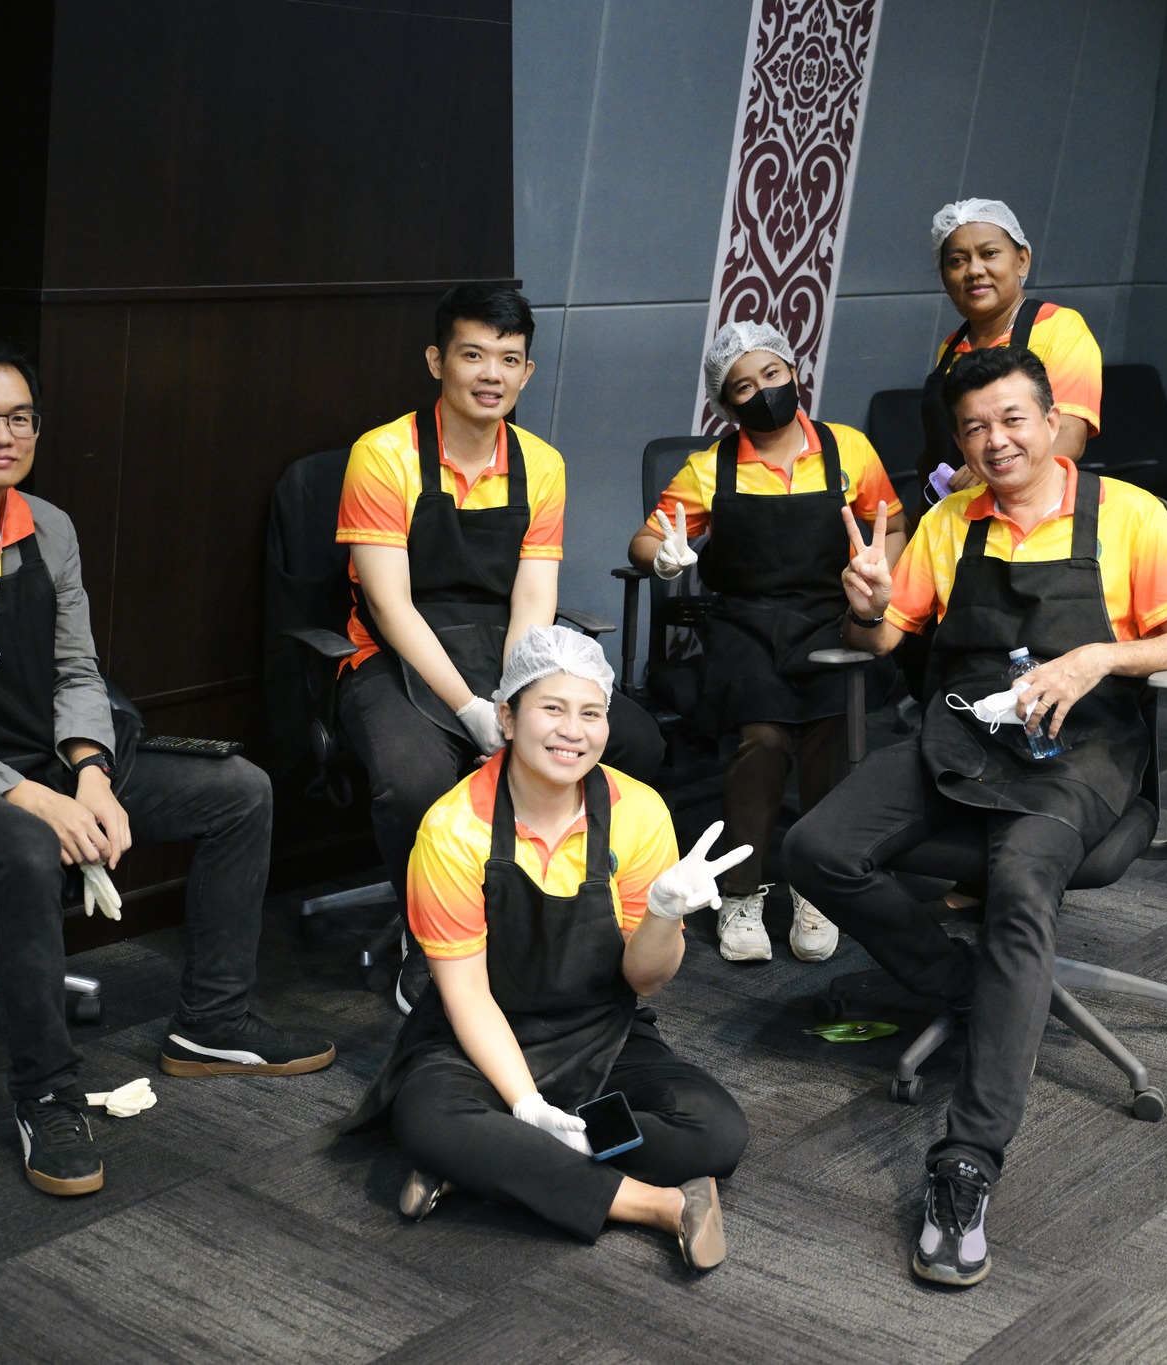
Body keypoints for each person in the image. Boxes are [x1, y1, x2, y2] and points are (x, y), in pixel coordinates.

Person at [0, 339, 334, 1198]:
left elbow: (79, 673)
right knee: (21, 846)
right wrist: (33, 798)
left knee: (238, 792)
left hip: (46, 762)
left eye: (20, 418)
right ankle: (46, 1092)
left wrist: (89, 774)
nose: (2, 434)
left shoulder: (49, 527)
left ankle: (212, 1020)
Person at [782, 346, 1167, 1287]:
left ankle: (968, 1159)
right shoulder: (951, 521)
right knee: (815, 848)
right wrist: (867, 607)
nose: (996, 441)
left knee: (1022, 880)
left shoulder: (1128, 514)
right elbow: (886, 634)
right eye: (975, 427)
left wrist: (1098, 657)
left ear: (1051, 420)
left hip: (1080, 749)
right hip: (963, 734)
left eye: (1013, 419)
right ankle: (964, 983)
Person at [344, 627, 751, 1269]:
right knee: (430, 1120)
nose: (572, 731)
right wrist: (527, 1104)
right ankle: (658, 1205)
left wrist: (664, 916)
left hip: (600, 1034)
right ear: (507, 718)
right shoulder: (453, 829)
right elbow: (467, 997)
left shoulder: (638, 811)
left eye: (591, 713)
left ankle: (490, 1165)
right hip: (475, 1044)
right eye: (552, 709)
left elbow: (645, 982)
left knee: (715, 1130)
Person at [336, 284, 665, 1008]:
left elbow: (532, 597)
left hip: (504, 647)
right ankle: (428, 936)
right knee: (414, 777)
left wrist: (518, 696)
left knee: (634, 740)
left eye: (509, 359)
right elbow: (390, 605)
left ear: (527, 372)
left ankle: (553, 908)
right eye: (473, 355)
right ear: (437, 361)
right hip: (397, 652)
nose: (492, 375)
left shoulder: (541, 463)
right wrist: (471, 708)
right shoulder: (383, 455)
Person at [626, 321, 903, 964]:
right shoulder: (710, 468)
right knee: (764, 741)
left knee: (833, 734)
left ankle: (818, 888)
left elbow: (891, 524)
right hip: (745, 626)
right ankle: (740, 894)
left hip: (832, 617)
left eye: (771, 374)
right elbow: (645, 541)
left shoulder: (848, 449)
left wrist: (878, 573)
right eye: (743, 386)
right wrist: (662, 557)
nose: (763, 391)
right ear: (726, 405)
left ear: (793, 373)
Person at [920, 199, 1103, 491]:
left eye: (989, 253)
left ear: (1022, 260)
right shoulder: (950, 347)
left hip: (1024, 507)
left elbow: (1069, 435)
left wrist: (989, 474)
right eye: (957, 261)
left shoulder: (1059, 327)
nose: (974, 270)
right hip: (950, 510)